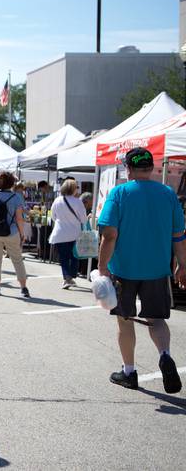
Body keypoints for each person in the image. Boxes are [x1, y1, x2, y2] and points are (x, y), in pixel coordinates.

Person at [98, 147, 186, 394]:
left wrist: (103, 266)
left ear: (128, 168)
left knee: (125, 321)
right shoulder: (168, 194)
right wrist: (183, 265)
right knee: (156, 320)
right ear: (151, 168)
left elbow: (110, 234)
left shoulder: (119, 193)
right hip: (158, 269)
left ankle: (128, 372)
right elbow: (179, 235)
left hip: (124, 270)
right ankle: (165, 355)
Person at [0, 171, 29, 297]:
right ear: (11, 183)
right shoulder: (16, 197)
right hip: (12, 232)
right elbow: (19, 218)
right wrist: (22, 234)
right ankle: (23, 287)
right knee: (17, 260)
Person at [50, 179, 88, 289]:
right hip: (75, 234)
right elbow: (83, 219)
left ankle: (67, 278)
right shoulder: (78, 202)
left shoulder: (57, 200)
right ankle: (70, 276)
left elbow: (53, 216)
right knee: (75, 256)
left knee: (63, 257)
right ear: (73, 189)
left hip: (60, 233)